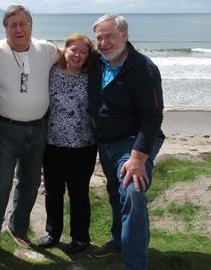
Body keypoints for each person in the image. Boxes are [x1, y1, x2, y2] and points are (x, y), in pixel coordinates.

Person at [0, 5, 58, 262]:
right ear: (5, 29)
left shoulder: (46, 49)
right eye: (13, 25)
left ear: (31, 26)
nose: (19, 29)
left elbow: (77, 56)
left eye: (23, 23)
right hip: (4, 129)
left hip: (39, 129)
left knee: (31, 183)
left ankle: (18, 227)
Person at [87, 14, 164, 270]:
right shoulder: (97, 62)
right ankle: (118, 240)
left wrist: (137, 158)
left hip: (134, 145)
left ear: (124, 35)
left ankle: (135, 264)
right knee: (115, 194)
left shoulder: (144, 68)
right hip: (106, 142)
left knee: (133, 193)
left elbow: (153, 115)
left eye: (109, 36)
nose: (103, 42)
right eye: (99, 38)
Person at [38, 33, 97, 255]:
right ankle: (53, 233)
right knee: (53, 192)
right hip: (52, 144)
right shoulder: (51, 73)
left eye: (83, 52)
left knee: (79, 193)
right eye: (74, 49)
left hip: (84, 146)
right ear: (65, 49)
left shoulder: (92, 76)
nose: (78, 55)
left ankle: (80, 238)